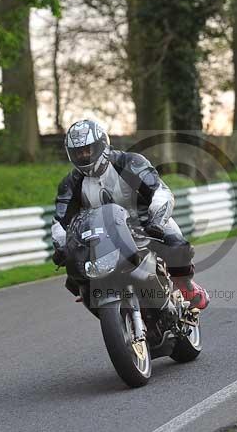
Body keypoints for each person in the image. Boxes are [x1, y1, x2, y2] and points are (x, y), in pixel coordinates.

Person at [50, 119, 209, 310]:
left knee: (178, 247)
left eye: (88, 149)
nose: (84, 155)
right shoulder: (71, 182)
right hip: (103, 235)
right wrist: (62, 246)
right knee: (74, 276)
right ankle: (101, 301)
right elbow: (61, 221)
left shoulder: (129, 162)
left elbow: (159, 191)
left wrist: (157, 221)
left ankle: (186, 287)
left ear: (101, 145)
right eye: (78, 152)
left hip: (145, 225)